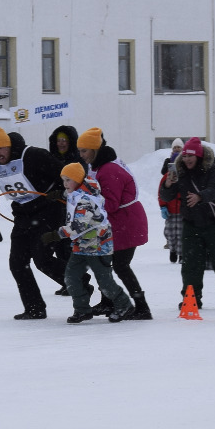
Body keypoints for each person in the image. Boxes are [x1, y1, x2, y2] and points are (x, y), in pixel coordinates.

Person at [0, 126, 69, 319]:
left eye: (0, 149)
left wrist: (61, 193)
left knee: (41, 258)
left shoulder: (33, 155)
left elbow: (65, 174)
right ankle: (34, 308)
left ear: (9, 146)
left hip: (49, 211)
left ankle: (78, 282)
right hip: (23, 216)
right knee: (17, 263)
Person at [77, 127, 151, 319]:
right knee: (105, 263)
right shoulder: (100, 166)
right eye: (80, 151)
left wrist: (84, 203)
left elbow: (110, 204)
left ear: (95, 150)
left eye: (84, 150)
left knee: (120, 265)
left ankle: (142, 308)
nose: (81, 155)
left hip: (126, 223)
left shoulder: (108, 170)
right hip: (117, 223)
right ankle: (108, 303)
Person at [159, 137, 215, 308]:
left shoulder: (212, 170)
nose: (188, 159)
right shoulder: (179, 173)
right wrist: (167, 184)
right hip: (191, 223)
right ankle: (191, 298)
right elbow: (167, 196)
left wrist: (200, 196)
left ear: (199, 156)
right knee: (190, 264)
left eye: (191, 156)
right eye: (186, 156)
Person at [58, 162, 133, 323]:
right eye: (63, 180)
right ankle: (82, 310)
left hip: (98, 245)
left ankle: (124, 305)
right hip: (81, 245)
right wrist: (59, 194)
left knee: (104, 281)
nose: (65, 184)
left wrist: (58, 233)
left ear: (78, 181)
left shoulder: (87, 200)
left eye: (68, 180)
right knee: (71, 278)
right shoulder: (75, 194)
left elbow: (80, 224)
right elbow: (68, 197)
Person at [159, 139, 185, 260]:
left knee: (181, 233)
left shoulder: (185, 176)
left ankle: (180, 254)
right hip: (170, 209)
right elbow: (161, 191)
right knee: (170, 232)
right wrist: (163, 206)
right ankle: (172, 248)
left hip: (181, 210)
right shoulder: (167, 176)